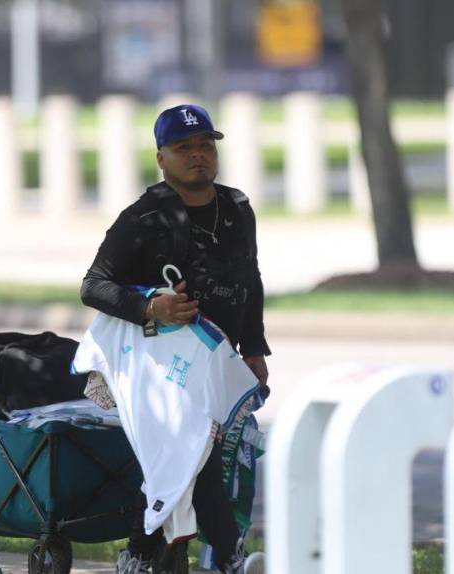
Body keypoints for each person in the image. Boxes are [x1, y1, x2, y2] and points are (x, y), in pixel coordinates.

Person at [80, 103, 270, 574]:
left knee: (192, 455)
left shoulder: (238, 208)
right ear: (161, 158)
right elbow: (93, 286)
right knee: (195, 447)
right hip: (155, 363)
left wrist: (254, 347)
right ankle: (230, 557)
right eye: (184, 148)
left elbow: (251, 278)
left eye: (206, 145)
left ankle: (140, 555)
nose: (198, 155)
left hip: (220, 360)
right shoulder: (143, 217)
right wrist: (149, 307)